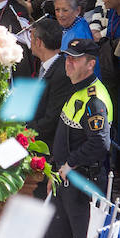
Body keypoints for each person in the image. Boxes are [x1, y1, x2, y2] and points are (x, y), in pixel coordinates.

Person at [45, 38, 113, 238]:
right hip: (65, 182)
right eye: (67, 57)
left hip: (83, 184)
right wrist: (56, 171)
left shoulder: (95, 100)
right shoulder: (77, 90)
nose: (68, 63)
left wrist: (69, 163)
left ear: (91, 64)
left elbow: (99, 143)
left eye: (75, 59)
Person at [30, 19, 70, 153]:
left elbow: (51, 119)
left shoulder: (61, 73)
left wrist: (25, 131)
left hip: (48, 145)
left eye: (31, 38)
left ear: (39, 42)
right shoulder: (46, 66)